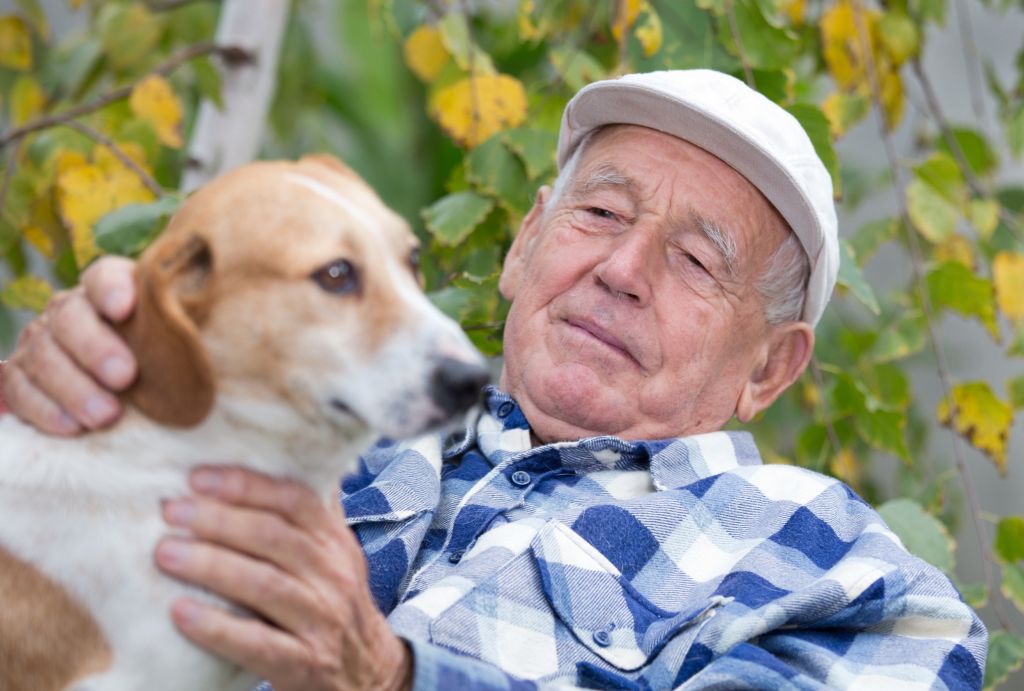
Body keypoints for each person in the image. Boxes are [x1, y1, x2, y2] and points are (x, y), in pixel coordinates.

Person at [0, 70, 986, 690]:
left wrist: (391, 679)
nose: (620, 269)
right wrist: (90, 371)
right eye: (599, 214)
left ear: (769, 367)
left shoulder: (847, 575)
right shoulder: (303, 408)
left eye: (694, 261)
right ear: (524, 246)